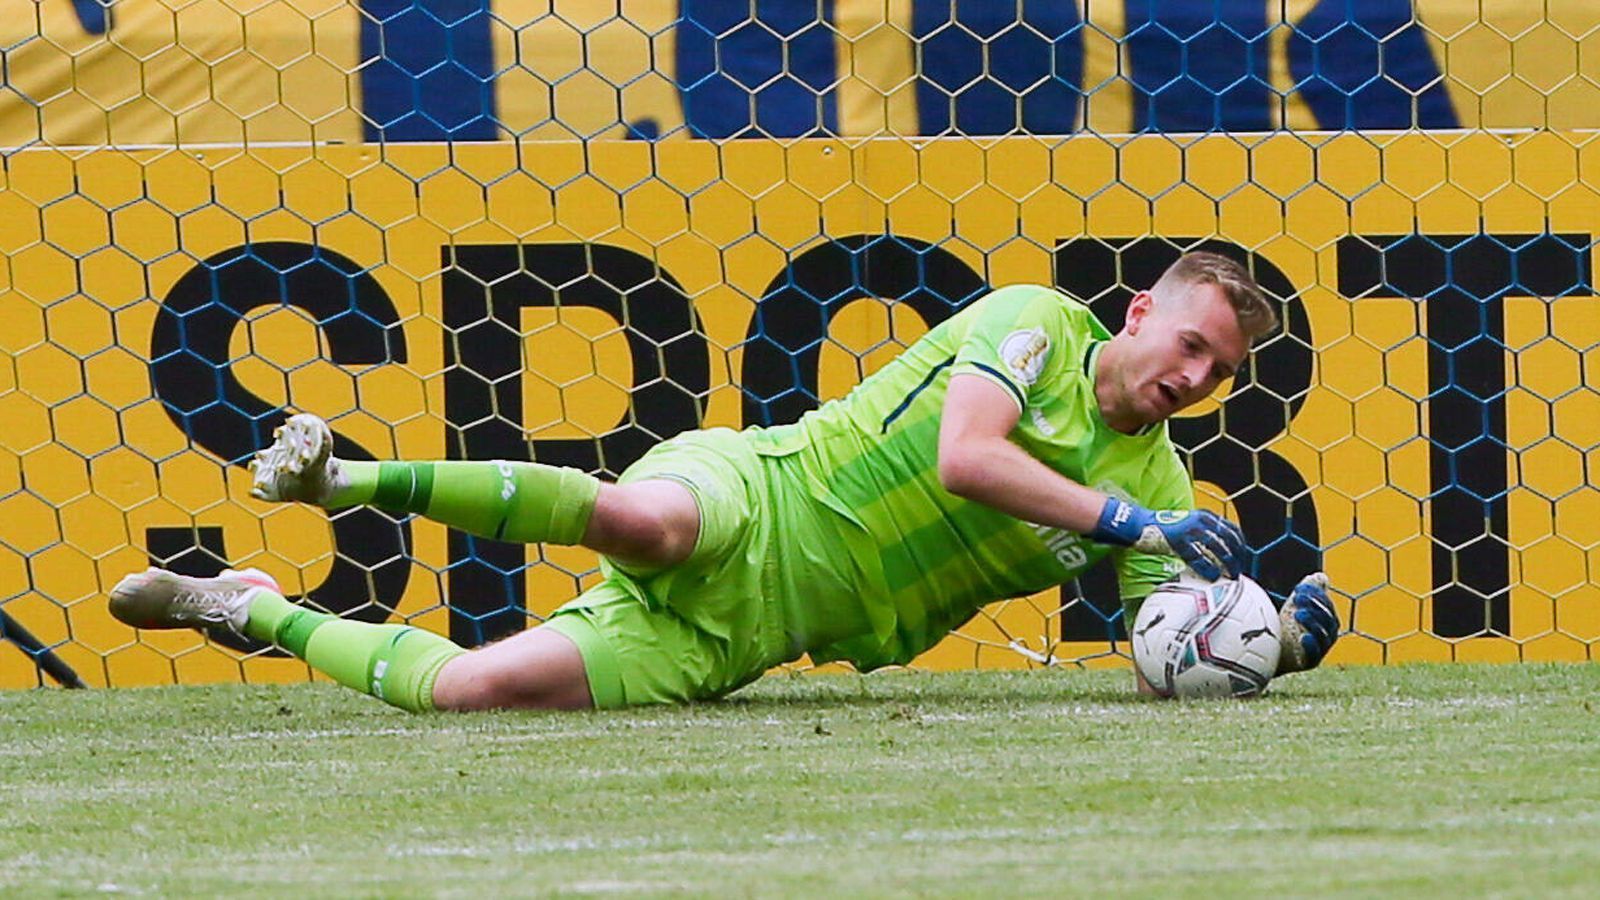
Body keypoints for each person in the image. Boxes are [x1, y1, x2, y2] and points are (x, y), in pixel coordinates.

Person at [110, 251, 1339, 711]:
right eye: (1188, 343)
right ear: (1137, 313)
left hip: (763, 627)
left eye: (1220, 371)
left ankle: (246, 605)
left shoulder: (1160, 488)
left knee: (474, 695)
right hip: (765, 491)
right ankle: (341, 483)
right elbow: (971, 459)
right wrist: (1137, 519)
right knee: (642, 516)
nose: (1194, 376)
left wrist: (1271, 642)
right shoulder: (1033, 326)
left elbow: (1159, 651)